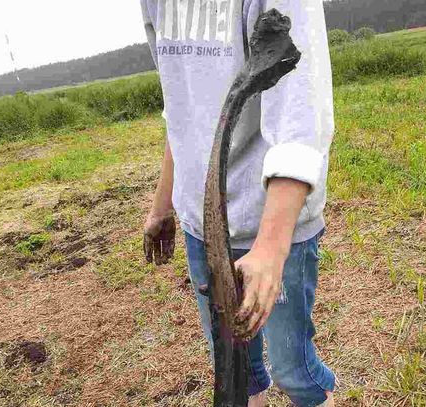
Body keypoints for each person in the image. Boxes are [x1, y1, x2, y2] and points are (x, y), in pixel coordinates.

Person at [140, 0, 336, 405]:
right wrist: (163, 205)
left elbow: (302, 117)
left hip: (275, 223)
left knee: (294, 371)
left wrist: (270, 248)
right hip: (203, 228)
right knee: (235, 373)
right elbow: (184, 111)